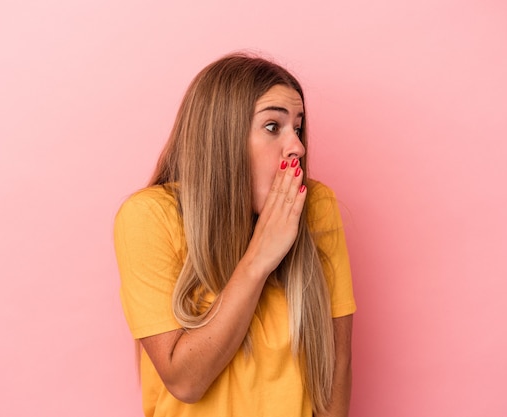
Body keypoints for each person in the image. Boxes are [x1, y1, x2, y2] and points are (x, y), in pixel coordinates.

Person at [114, 53, 356, 417]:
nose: (298, 148)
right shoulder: (148, 217)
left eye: (298, 128)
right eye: (273, 126)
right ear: (223, 136)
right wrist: (260, 257)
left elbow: (337, 363)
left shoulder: (317, 205)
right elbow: (185, 382)